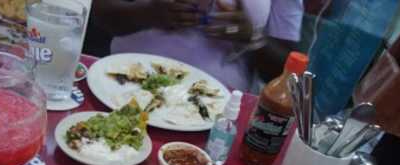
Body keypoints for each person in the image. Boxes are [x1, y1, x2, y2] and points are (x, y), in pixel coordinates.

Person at [93, 0, 304, 92]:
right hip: (122, 82)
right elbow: (100, 13)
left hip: (211, 108)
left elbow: (287, 69)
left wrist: (252, 38)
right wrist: (149, 13)